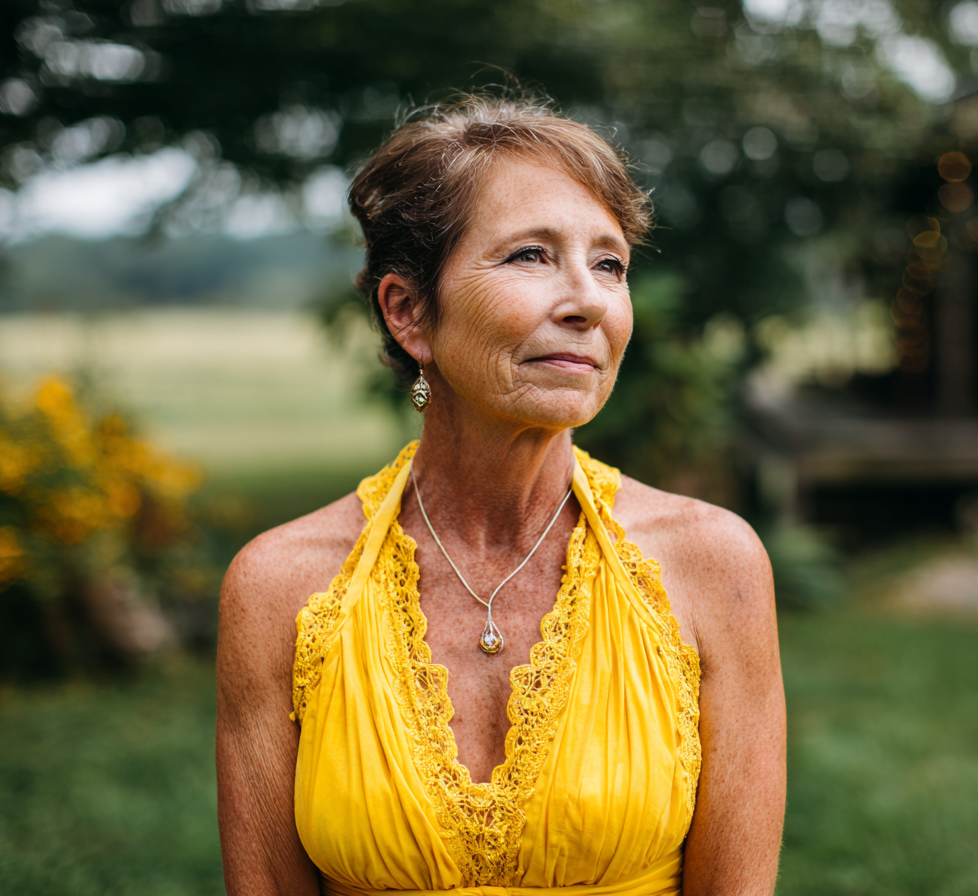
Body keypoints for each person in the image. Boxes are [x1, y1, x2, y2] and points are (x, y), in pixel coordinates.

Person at [215, 93, 786, 896]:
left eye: (610, 264)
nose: (587, 301)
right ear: (409, 312)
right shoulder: (280, 587)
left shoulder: (711, 563)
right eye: (530, 256)